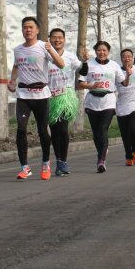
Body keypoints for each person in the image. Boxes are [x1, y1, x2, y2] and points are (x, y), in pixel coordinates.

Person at [9, 16, 65, 180]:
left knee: (42, 131)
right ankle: (25, 167)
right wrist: (12, 80)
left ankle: (46, 163)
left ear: (37, 30)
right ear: (22, 30)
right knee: (21, 129)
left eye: (31, 27)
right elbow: (16, 65)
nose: (28, 30)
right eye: (25, 27)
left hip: (41, 95)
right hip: (23, 95)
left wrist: (51, 50)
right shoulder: (18, 50)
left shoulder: (43, 46)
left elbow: (61, 64)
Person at [76, 40, 124, 173]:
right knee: (96, 132)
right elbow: (80, 84)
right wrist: (91, 86)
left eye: (104, 50)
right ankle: (102, 150)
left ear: (108, 52)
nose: (102, 52)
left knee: (103, 129)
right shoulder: (89, 64)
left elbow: (123, 82)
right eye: (99, 50)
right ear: (95, 51)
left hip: (108, 100)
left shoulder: (114, 65)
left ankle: (101, 160)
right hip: (92, 101)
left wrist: (129, 76)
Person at [47, 28, 82, 176]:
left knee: (63, 129)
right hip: (50, 96)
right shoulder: (45, 55)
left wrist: (86, 61)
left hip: (66, 96)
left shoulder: (70, 56)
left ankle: (63, 161)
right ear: (50, 39)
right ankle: (59, 161)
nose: (57, 40)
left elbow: (82, 69)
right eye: (54, 37)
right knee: (55, 131)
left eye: (60, 37)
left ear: (64, 39)